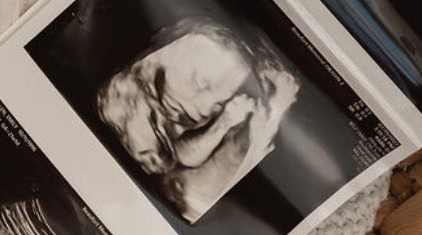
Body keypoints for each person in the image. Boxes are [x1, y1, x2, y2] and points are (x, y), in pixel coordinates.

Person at [96, 16, 299, 221]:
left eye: (219, 104)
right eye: (200, 82)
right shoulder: (126, 91)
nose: (203, 108)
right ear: (161, 53)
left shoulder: (185, 127)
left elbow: (186, 160)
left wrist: (228, 123)